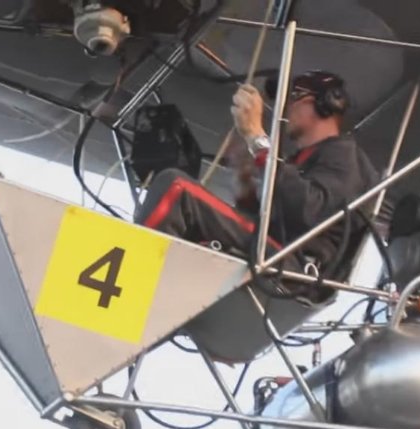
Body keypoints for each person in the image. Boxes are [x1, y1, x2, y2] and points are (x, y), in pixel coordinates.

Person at [135, 70, 380, 298]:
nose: (286, 107)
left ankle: (132, 280)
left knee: (175, 186)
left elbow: (310, 211)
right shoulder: (300, 160)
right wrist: (245, 187)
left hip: (296, 266)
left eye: (294, 97)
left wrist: (256, 137)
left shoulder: (344, 153)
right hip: (277, 252)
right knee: (188, 208)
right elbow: (277, 217)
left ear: (327, 103)